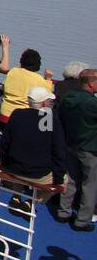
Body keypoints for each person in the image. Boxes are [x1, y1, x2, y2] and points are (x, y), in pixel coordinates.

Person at [0, 87, 67, 216]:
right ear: (43, 103)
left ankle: (16, 196)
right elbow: (59, 152)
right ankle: (32, 201)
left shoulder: (17, 114)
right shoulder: (50, 120)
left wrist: (4, 162)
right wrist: (58, 180)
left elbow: (5, 142)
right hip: (37, 173)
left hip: (13, 168)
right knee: (64, 179)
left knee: (21, 158)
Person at [56, 67, 97, 232]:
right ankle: (82, 220)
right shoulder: (92, 104)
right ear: (91, 83)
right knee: (90, 184)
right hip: (89, 147)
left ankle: (63, 211)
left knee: (71, 179)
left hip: (70, 144)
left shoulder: (68, 98)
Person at [0, 48, 53, 126]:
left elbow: (4, 87)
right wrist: (48, 79)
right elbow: (47, 96)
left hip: (4, 113)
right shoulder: (38, 79)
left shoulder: (13, 71)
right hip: (22, 117)